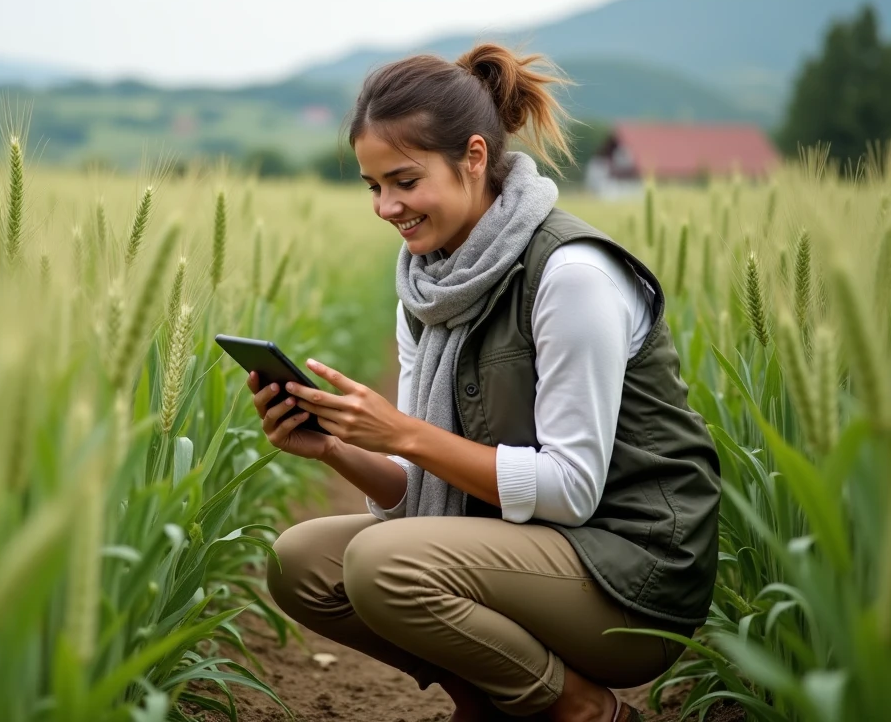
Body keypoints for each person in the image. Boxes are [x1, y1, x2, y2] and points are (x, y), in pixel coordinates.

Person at [244, 43, 721, 722]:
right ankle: (484, 706)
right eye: (373, 186)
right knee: (301, 563)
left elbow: (571, 490)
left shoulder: (571, 274)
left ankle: (583, 710)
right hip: (519, 551)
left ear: (473, 158)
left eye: (405, 181)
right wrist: (337, 448)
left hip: (631, 574)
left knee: (383, 565)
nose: (386, 206)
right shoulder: (428, 287)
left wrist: (403, 434)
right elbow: (416, 497)